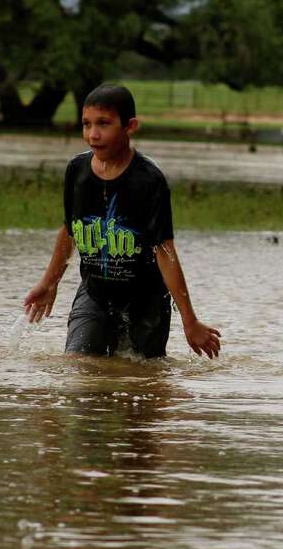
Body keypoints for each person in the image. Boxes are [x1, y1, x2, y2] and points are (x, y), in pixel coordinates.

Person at [23, 84, 221, 359]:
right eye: (86, 124)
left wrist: (190, 321)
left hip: (146, 301)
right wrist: (49, 283)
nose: (93, 134)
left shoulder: (149, 180)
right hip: (95, 294)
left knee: (141, 377)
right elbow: (70, 230)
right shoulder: (76, 171)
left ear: (130, 126)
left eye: (103, 124)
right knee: (77, 366)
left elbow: (164, 251)